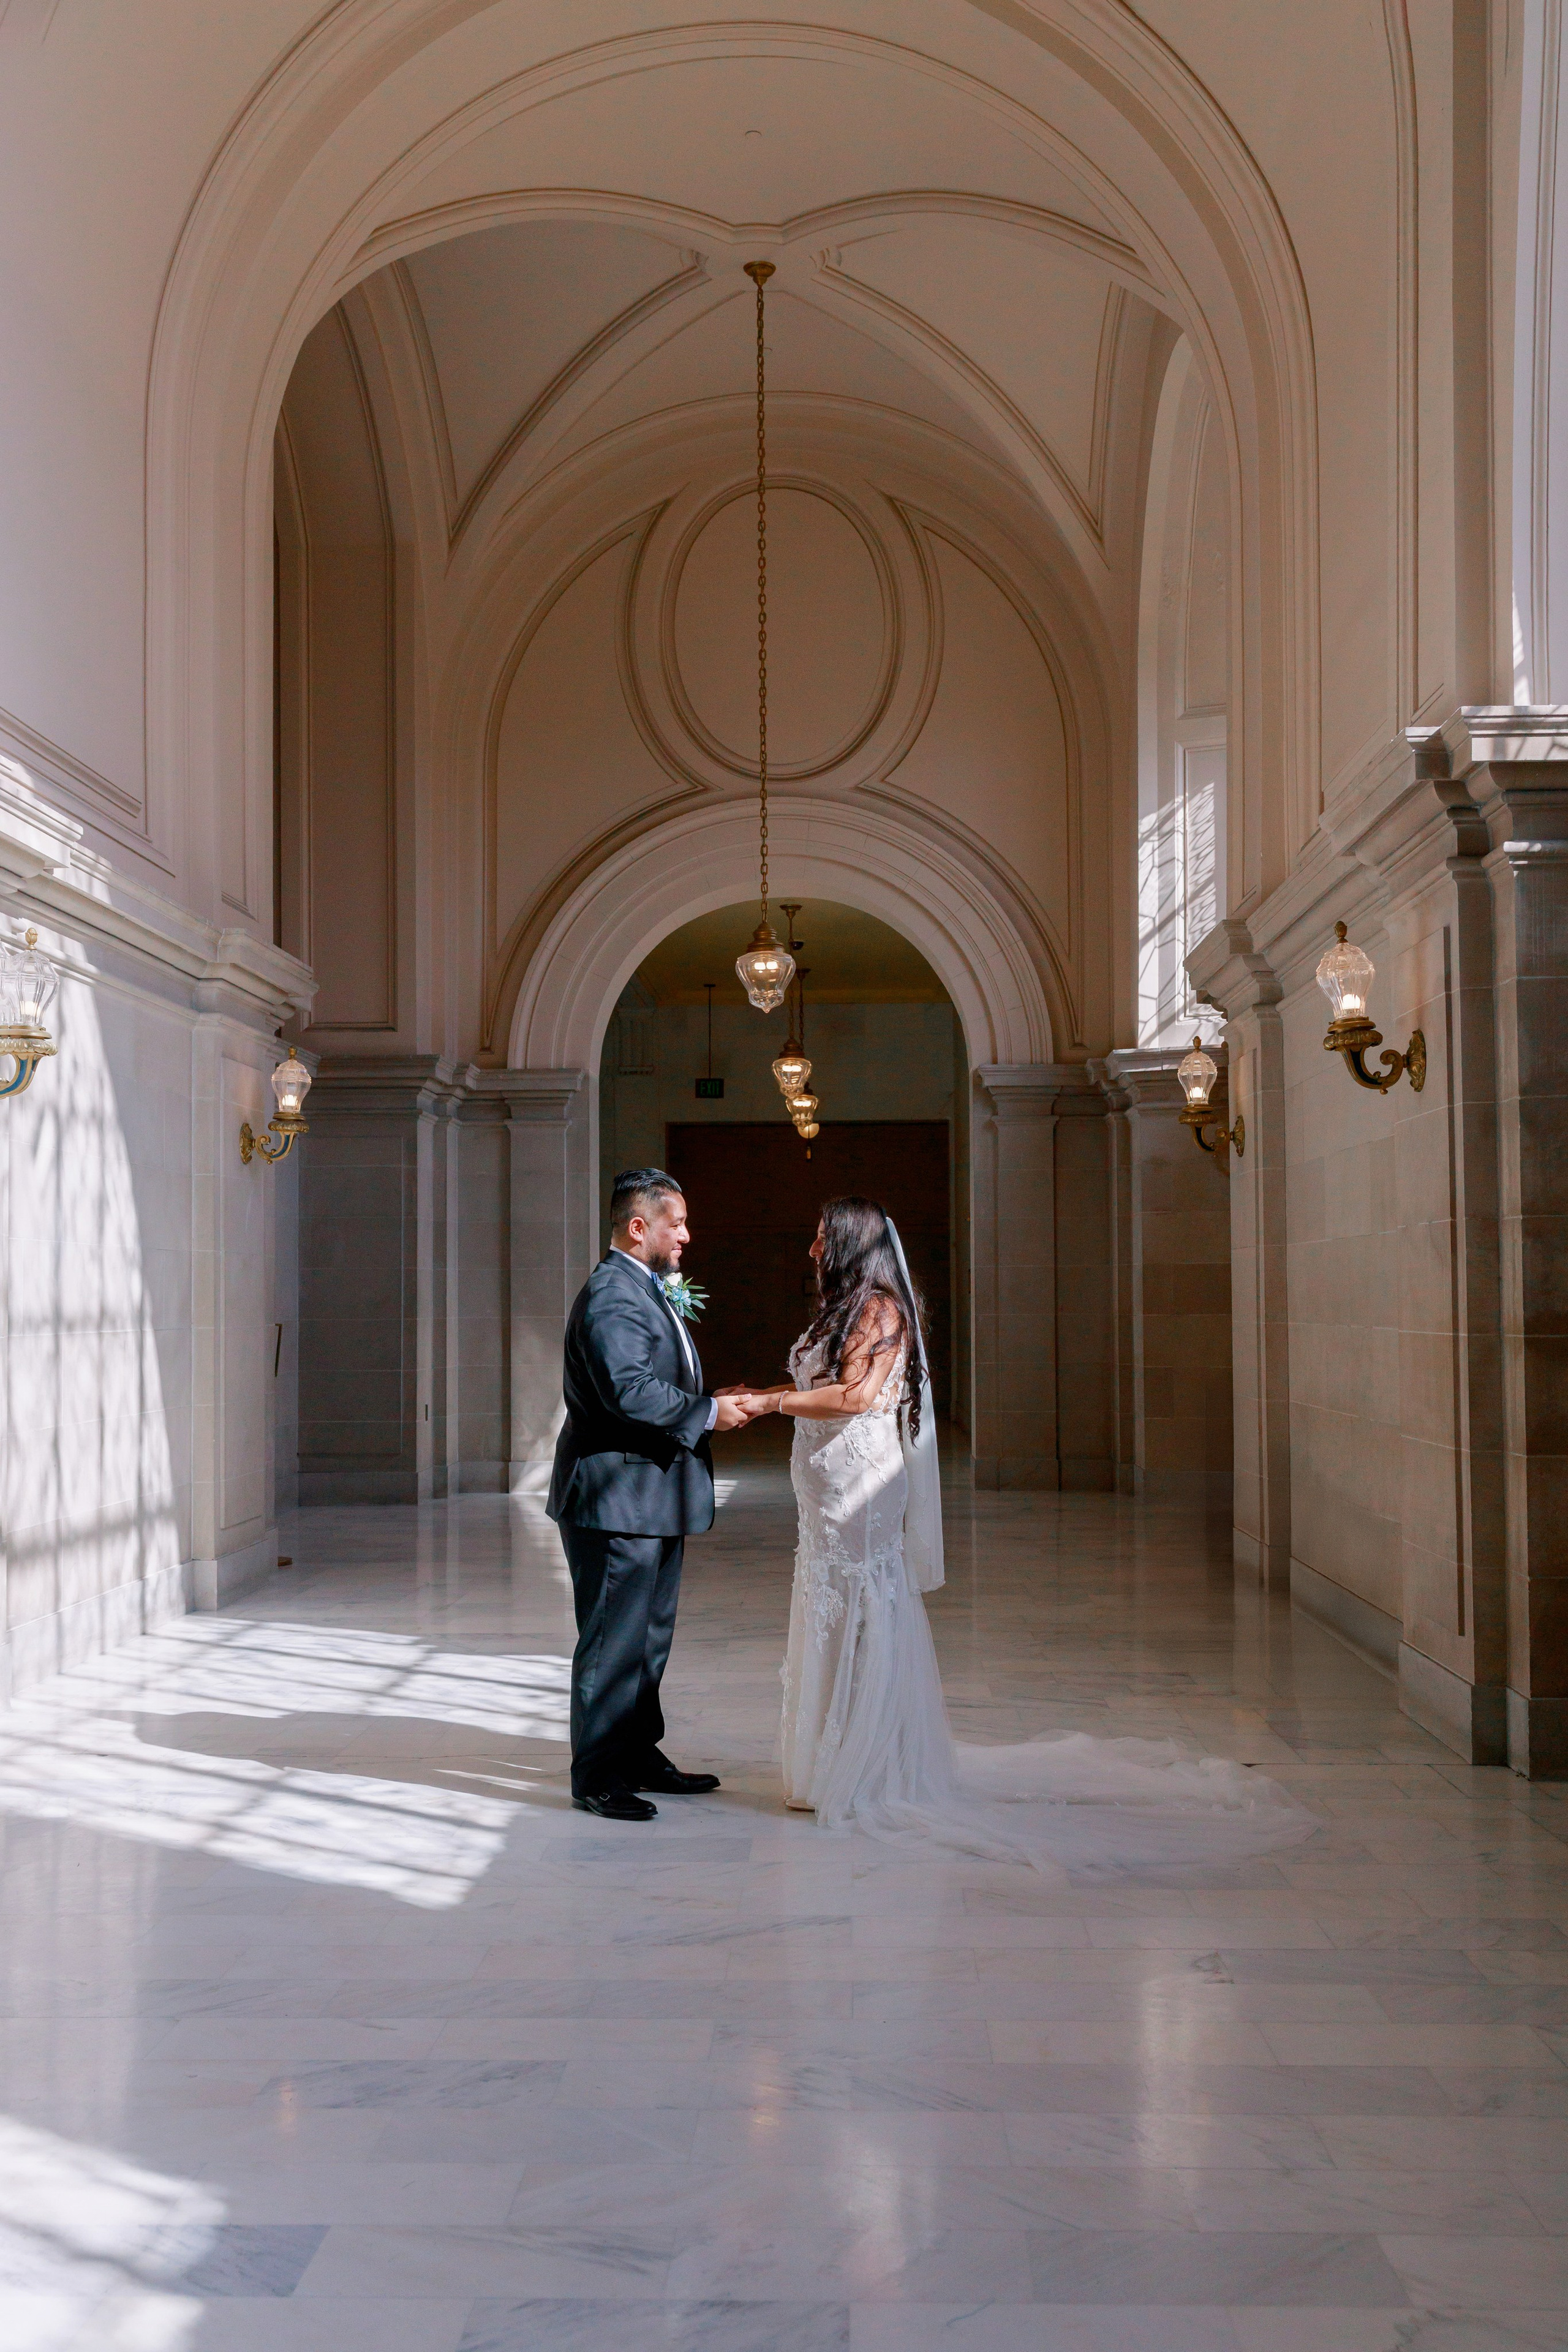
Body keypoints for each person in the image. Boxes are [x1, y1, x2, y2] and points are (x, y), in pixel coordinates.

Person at [729, 1196, 1316, 1874]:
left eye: (821, 1237)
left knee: (863, 1608)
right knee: (829, 1607)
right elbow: (825, 1383)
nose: (811, 1249)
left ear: (850, 1245)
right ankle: (828, 1758)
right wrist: (759, 1394)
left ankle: (868, 1764)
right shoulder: (843, 1311)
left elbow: (856, 1398)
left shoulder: (881, 1311)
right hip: (826, 1498)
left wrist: (768, 1404)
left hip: (861, 1494)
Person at [548, 1167, 755, 1820]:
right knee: (614, 1643)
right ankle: (597, 1776)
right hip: (617, 1498)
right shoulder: (613, 1294)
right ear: (639, 1227)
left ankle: (637, 1754)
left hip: (648, 1496)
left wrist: (704, 1399)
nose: (687, 1236)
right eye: (678, 1224)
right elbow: (628, 1391)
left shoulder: (642, 1285)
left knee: (647, 1640)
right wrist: (707, 1414)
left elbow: (650, 1378)